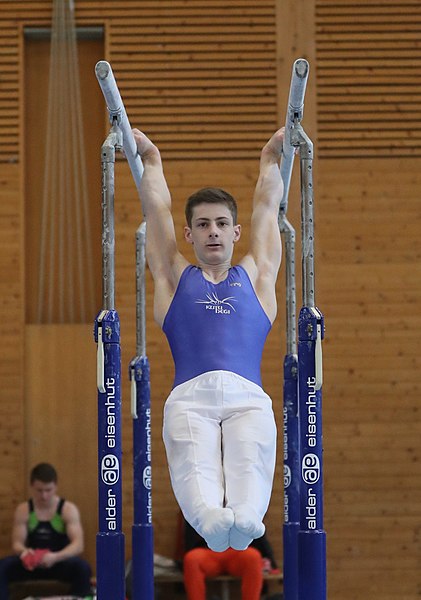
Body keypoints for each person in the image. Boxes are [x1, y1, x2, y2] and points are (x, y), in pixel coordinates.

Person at [133, 127, 284, 553]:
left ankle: (247, 514)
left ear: (236, 232)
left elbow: (267, 209)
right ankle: (207, 519)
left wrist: (270, 160)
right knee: (192, 463)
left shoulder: (257, 277)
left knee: (250, 461)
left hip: (248, 397)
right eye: (202, 224)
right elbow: (157, 211)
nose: (213, 231)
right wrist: (152, 161)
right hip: (190, 399)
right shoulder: (173, 276)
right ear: (189, 235)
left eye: (221, 223)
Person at [0, 462, 92, 599]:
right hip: (32, 564)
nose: (44, 495)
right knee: (3, 566)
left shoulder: (67, 509)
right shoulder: (24, 510)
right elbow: (17, 543)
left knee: (83, 568)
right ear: (32, 487)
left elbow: (78, 545)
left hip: (58, 562)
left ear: (56, 486)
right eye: (39, 490)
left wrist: (55, 557)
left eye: (48, 490)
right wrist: (25, 552)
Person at [183, 519, 279, 600]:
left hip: (237, 550)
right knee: (192, 558)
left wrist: (271, 560)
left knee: (253, 556)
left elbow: (256, 530)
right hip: (209, 550)